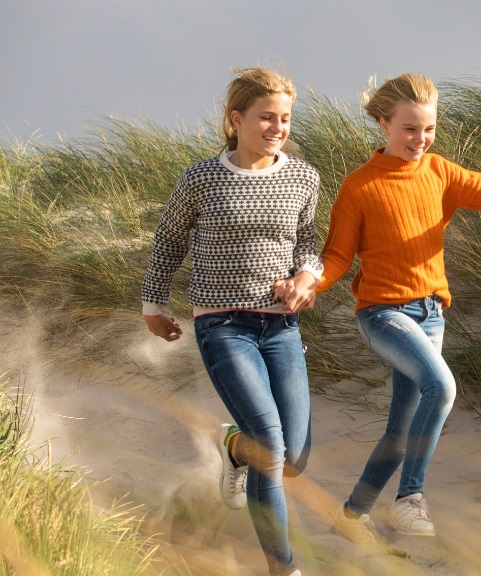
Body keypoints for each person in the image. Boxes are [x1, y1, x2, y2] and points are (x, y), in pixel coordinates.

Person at [317, 73, 481, 541]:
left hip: (430, 314)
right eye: (410, 129)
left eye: (429, 129)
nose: (421, 138)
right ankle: (410, 498)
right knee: (442, 386)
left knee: (400, 431)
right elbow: (337, 257)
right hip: (382, 314)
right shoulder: (359, 186)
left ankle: (350, 517)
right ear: (384, 125)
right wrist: (308, 284)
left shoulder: (439, 172)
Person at [141, 67, 321, 576]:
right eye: (266, 117)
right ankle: (283, 568)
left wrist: (305, 278)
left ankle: (232, 447)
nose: (277, 127)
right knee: (271, 447)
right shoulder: (201, 178)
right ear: (236, 119)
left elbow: (307, 243)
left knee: (294, 457)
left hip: (281, 327)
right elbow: (169, 240)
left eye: (285, 118)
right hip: (222, 326)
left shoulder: (303, 177)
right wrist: (153, 305)